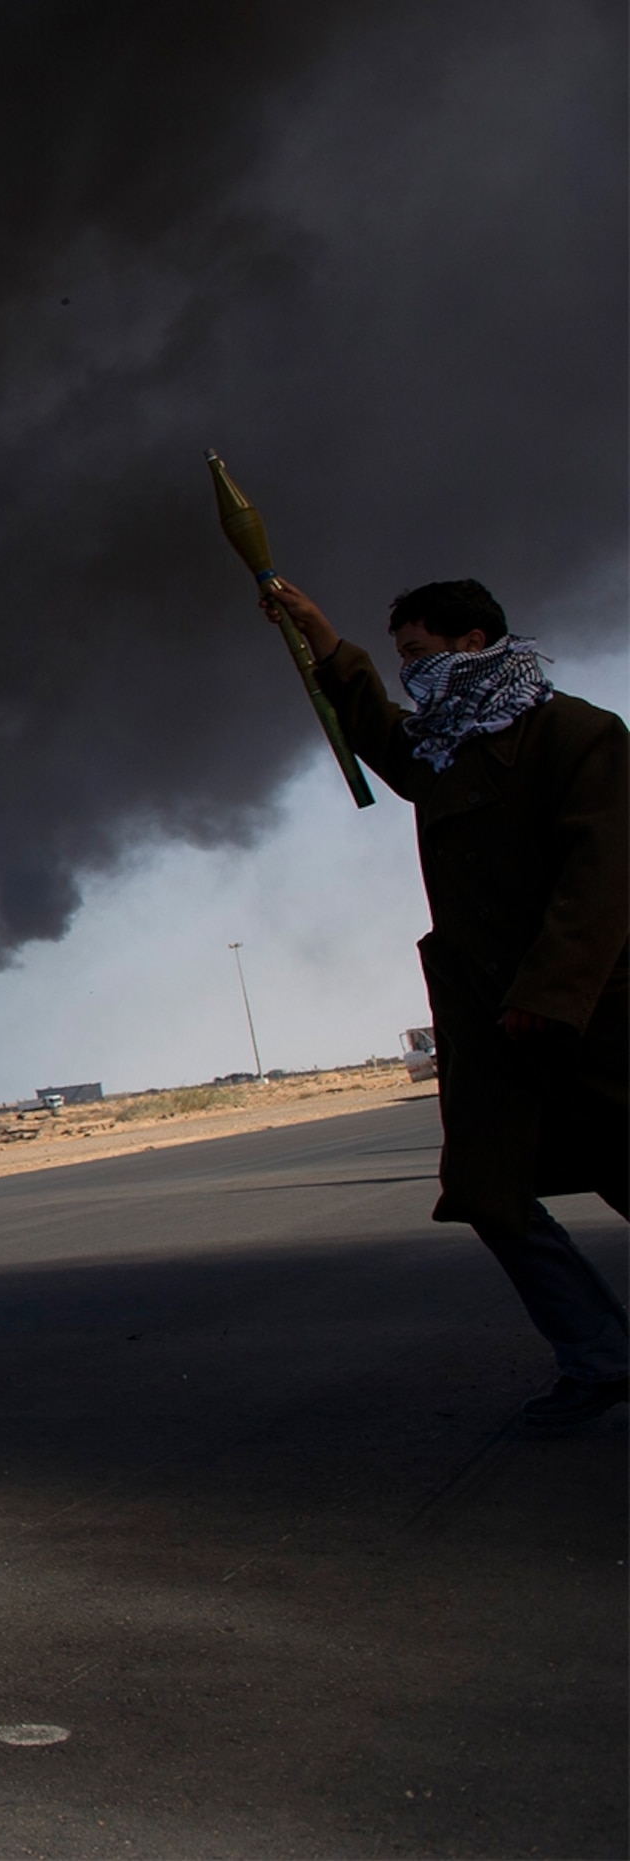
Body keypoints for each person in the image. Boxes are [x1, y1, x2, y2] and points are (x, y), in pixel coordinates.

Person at [266, 576, 626, 1434]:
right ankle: (602, 1358)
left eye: (419, 654)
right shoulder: (446, 746)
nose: (410, 673)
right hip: (490, 1017)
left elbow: (603, 878)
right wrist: (319, 634)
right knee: (486, 1191)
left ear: (473, 642)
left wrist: (550, 991)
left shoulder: (579, 733)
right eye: (400, 659)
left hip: (588, 1012)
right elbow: (382, 737)